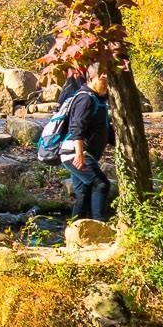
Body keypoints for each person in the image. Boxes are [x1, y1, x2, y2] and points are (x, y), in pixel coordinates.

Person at [61, 63, 115, 222]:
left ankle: (75, 231)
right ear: (91, 79)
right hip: (75, 153)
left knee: (83, 192)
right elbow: (77, 127)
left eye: (107, 81)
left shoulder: (97, 99)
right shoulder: (85, 98)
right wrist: (79, 154)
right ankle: (99, 226)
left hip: (82, 153)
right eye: (102, 79)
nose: (105, 84)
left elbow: (104, 128)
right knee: (101, 184)